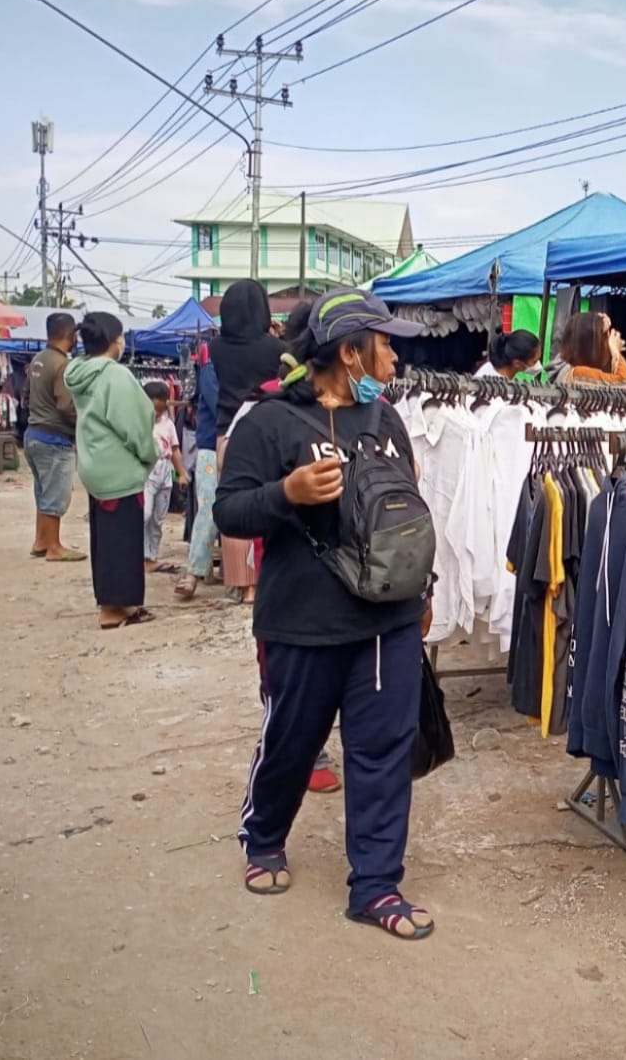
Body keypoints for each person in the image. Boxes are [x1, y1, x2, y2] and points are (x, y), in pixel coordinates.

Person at [216, 288, 435, 939]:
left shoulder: (387, 421)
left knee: (382, 753)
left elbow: (409, 514)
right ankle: (264, 836)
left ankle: (375, 885)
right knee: (293, 743)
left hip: (386, 624)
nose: (394, 355)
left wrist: (425, 593)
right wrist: (287, 492)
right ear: (349, 351)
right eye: (385, 342)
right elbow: (228, 511)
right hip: (303, 622)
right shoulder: (269, 423)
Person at [65, 312, 159, 630]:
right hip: (119, 470)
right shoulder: (114, 376)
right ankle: (117, 608)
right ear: (115, 340)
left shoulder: (79, 372)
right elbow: (134, 425)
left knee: (105, 541)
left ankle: (112, 603)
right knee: (123, 541)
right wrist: (148, 456)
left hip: (94, 465)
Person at [210, 281, 286, 605]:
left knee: (237, 503)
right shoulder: (275, 349)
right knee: (267, 502)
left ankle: (243, 584)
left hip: (226, 431)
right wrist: (278, 336)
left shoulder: (215, 348)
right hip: (265, 427)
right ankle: (264, 576)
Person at [24, 313, 85, 562]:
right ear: (70, 335)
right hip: (54, 438)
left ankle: (41, 541)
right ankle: (54, 547)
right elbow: (65, 404)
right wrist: (82, 423)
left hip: (34, 434)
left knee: (42, 492)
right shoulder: (63, 364)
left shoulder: (38, 359)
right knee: (55, 495)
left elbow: (26, 394)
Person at [175, 358, 221, 600]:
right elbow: (218, 404)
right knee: (208, 508)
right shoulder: (211, 368)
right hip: (213, 445)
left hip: (233, 442)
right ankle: (194, 572)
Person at [142, 381, 188, 575]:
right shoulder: (140, 422)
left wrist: (180, 474)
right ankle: (137, 555)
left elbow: (175, 451)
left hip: (165, 470)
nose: (157, 412)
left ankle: (151, 557)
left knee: (158, 519)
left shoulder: (168, 424)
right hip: (148, 471)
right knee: (144, 514)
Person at [555, 311, 626, 387]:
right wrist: (615, 351)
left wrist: (597, 321)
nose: (608, 344)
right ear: (590, 347)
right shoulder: (577, 374)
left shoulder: (565, 367)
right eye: (606, 339)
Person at [474, 329, 542, 379]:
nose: (538, 365)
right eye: (534, 361)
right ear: (517, 363)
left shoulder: (488, 366)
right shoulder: (502, 392)